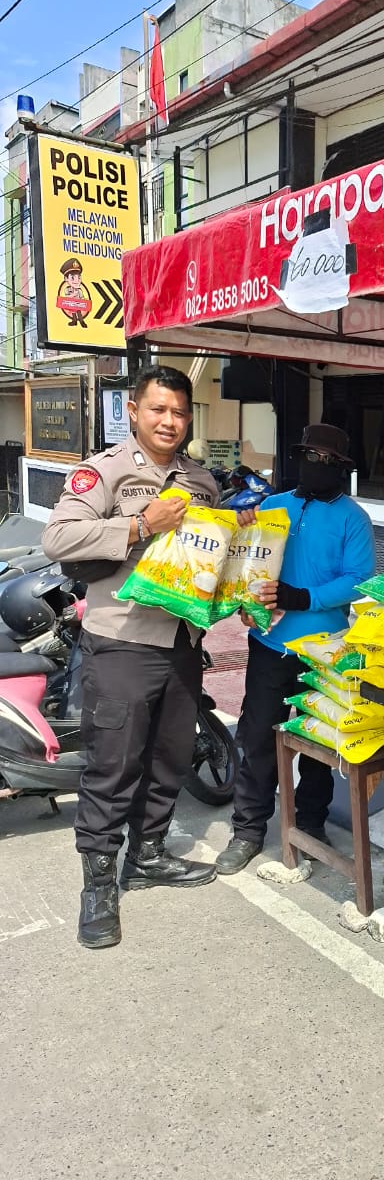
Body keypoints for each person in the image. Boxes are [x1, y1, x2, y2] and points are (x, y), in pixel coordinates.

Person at [42, 366, 249, 950]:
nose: (169, 421)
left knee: (168, 757)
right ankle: (98, 884)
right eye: (158, 409)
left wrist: (243, 550)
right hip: (123, 642)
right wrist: (139, 524)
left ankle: (148, 854)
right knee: (114, 764)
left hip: (183, 643)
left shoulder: (202, 482)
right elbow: (58, 539)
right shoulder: (105, 472)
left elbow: (211, 561)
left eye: (180, 412)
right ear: (134, 411)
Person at [214, 424, 375, 875]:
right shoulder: (272, 506)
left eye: (327, 460)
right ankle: (248, 831)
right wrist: (245, 602)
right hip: (269, 645)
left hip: (324, 652)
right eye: (309, 456)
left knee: (318, 743)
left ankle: (311, 824)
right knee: (257, 739)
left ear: (341, 468)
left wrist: (304, 598)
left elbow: (359, 579)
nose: (315, 466)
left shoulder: (353, 518)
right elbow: (248, 565)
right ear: (298, 458)